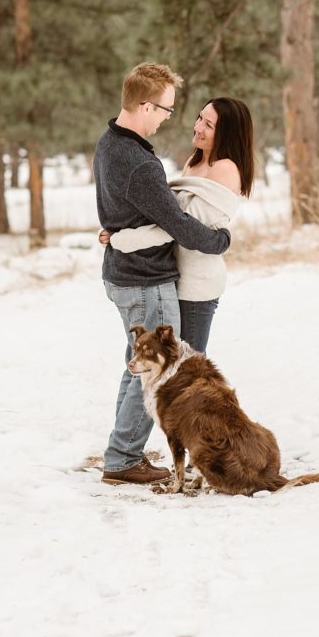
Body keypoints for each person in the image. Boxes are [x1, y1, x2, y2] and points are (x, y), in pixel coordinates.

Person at [93, 63, 231, 486]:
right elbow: (178, 224)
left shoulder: (109, 142)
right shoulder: (138, 162)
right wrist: (219, 241)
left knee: (134, 365)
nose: (169, 118)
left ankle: (122, 450)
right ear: (144, 104)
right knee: (152, 368)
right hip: (146, 280)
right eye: (166, 110)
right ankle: (122, 460)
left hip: (124, 275)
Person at [104, 97, 254, 355]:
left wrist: (122, 239)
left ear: (227, 133)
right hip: (175, 276)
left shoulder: (225, 169)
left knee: (187, 368)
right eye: (199, 118)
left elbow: (177, 228)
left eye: (209, 124)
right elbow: (169, 218)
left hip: (196, 284)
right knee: (162, 364)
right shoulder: (194, 163)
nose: (198, 127)